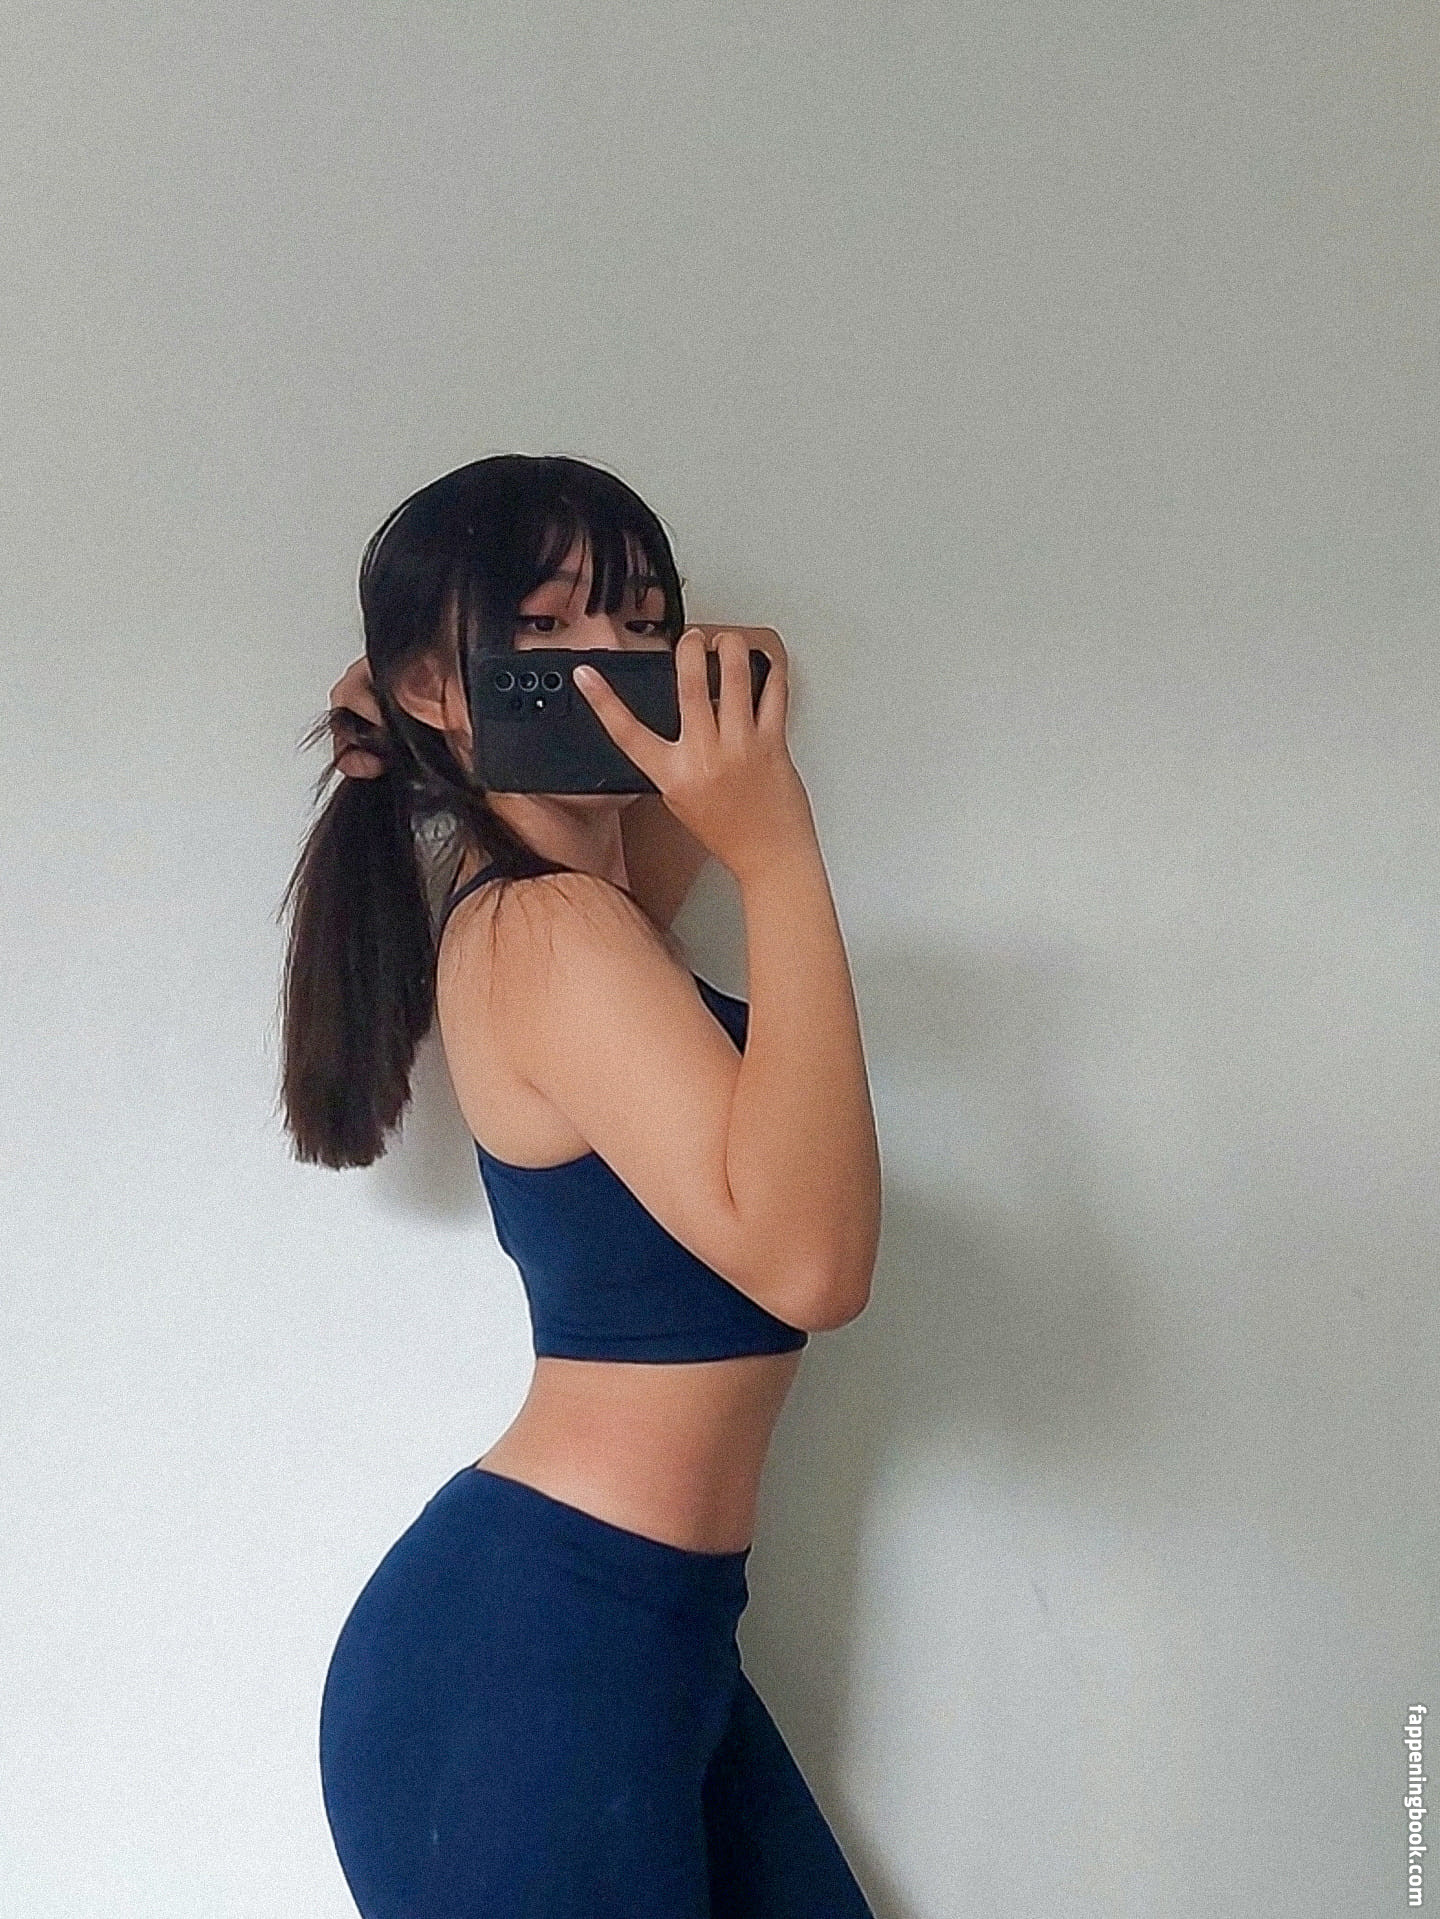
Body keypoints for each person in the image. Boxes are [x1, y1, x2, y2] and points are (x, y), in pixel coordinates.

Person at [281, 452, 882, 1916]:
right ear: (440, 681)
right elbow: (813, 1266)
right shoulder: (548, 935)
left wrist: (451, 690)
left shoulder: (597, 908)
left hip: (639, 1626)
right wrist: (778, 854)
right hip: (537, 1645)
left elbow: (755, 664)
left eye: (639, 620)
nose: (605, 660)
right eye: (542, 630)